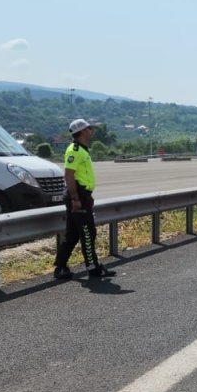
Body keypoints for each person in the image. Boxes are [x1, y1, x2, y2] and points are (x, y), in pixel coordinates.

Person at [53, 119, 116, 280]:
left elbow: (82, 175)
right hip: (77, 196)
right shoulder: (74, 150)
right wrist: (76, 198)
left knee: (73, 235)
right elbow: (69, 175)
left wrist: (88, 195)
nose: (91, 131)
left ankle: (60, 268)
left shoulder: (82, 149)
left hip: (82, 195)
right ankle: (93, 268)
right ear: (82, 131)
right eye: (89, 128)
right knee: (88, 232)